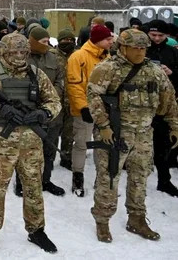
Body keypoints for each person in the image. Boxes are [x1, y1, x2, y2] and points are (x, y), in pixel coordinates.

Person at [0, 33, 61, 254]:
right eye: (14, 52)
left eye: (23, 52)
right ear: (4, 52)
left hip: (31, 141)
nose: (18, 56)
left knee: (34, 187)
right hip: (2, 141)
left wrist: (43, 113)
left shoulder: (36, 73)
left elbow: (54, 101)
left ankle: (37, 230)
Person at [87, 29, 178, 242]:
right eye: (134, 48)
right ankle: (103, 220)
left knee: (140, 177)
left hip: (144, 133)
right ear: (123, 48)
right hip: (115, 133)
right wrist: (103, 125)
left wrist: (174, 125)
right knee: (109, 177)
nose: (139, 52)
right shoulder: (107, 68)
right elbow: (93, 97)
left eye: (143, 48)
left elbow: (170, 97)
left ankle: (137, 218)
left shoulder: (154, 71)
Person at [68, 24, 112, 197]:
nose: (111, 41)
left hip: (105, 110)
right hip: (85, 110)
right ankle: (77, 178)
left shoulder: (108, 57)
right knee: (81, 144)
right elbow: (74, 86)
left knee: (103, 145)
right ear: (98, 40)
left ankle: (101, 180)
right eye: (108, 39)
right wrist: (82, 107)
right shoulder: (78, 57)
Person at [25, 26, 66, 196]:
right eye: (43, 41)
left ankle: (46, 180)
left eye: (48, 41)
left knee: (49, 148)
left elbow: (61, 80)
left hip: (52, 112)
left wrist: (50, 95)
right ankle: (24, 182)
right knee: (28, 151)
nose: (46, 44)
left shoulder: (54, 57)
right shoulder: (23, 57)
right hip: (29, 111)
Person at [145, 19, 178, 196]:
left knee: (163, 145)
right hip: (141, 104)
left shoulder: (172, 52)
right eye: (153, 35)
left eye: (160, 35)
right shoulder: (140, 49)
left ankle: (164, 180)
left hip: (164, 106)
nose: (157, 38)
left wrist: (172, 73)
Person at [51, 28, 76, 170]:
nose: (68, 42)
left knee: (69, 133)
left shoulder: (77, 55)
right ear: (59, 41)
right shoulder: (52, 55)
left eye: (71, 40)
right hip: (56, 101)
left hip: (72, 100)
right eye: (65, 40)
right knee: (54, 131)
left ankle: (67, 158)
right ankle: (50, 158)